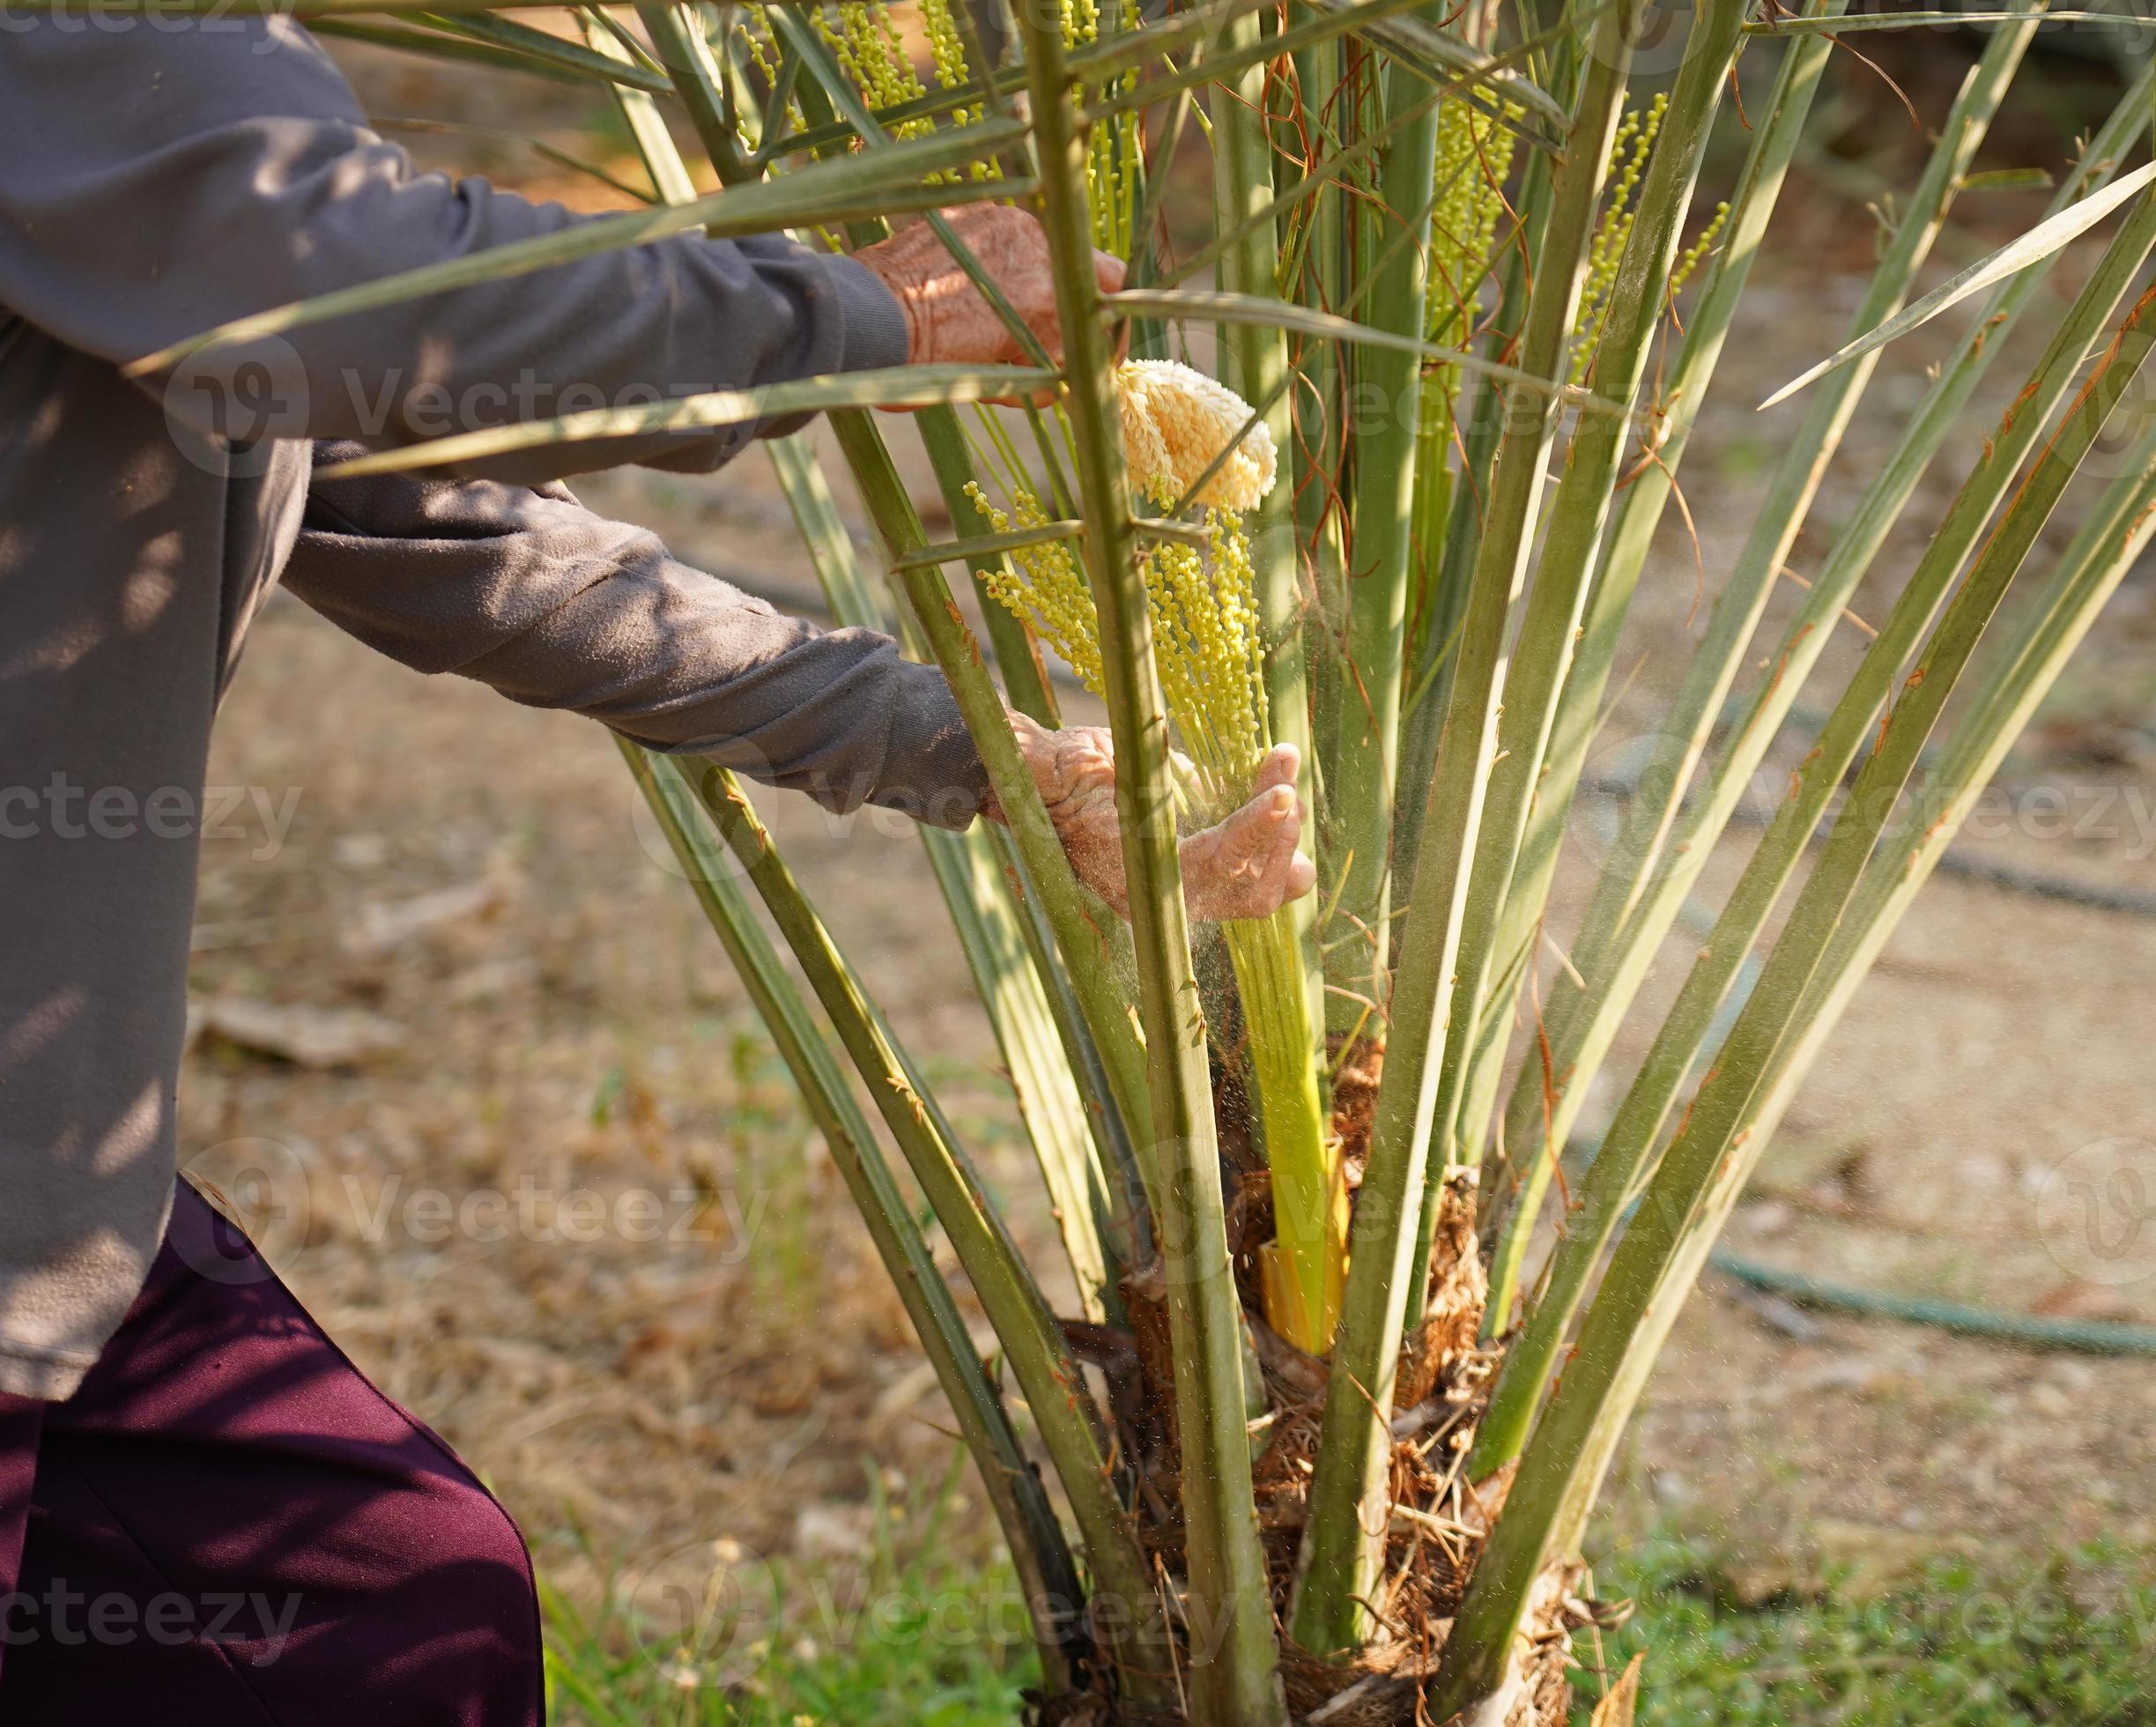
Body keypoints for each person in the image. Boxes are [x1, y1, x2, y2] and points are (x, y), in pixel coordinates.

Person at [0, 13, 1308, 1720]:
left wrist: (987, 757)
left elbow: (446, 530)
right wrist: (864, 316)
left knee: (374, 1620)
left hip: (52, 1198)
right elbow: (359, 293)